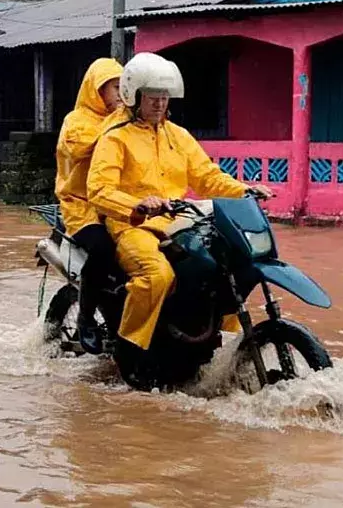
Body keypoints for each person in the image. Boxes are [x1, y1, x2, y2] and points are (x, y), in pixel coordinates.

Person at [86, 52, 274, 352]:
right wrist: (137, 205)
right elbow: (98, 189)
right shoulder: (115, 138)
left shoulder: (179, 136)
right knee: (157, 276)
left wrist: (244, 190)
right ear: (134, 96)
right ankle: (129, 347)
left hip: (180, 222)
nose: (160, 104)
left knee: (224, 264)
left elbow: (207, 177)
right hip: (133, 226)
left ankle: (213, 335)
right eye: (152, 97)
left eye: (164, 97)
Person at [54, 57, 124, 354]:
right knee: (103, 249)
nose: (121, 95)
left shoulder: (127, 122)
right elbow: (81, 148)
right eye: (115, 88)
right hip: (81, 206)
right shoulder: (77, 121)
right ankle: (85, 317)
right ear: (97, 90)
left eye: (125, 88)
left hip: (118, 204)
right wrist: (118, 120)